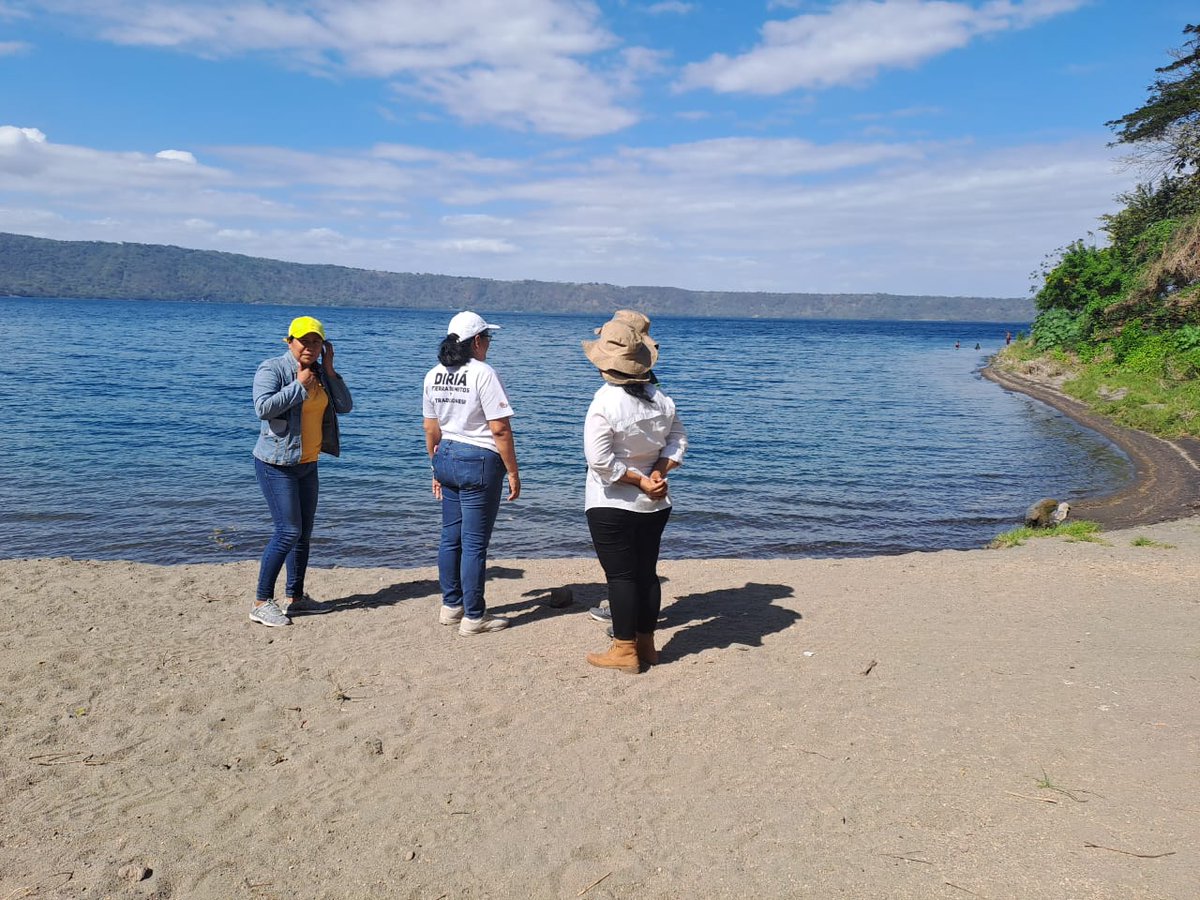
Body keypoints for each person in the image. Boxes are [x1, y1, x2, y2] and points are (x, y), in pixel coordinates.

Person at [581, 311, 687, 673]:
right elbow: (678, 441)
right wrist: (656, 474)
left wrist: (640, 480)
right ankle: (647, 645)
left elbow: (599, 461)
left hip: (612, 502)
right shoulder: (661, 399)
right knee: (646, 574)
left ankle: (624, 650)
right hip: (655, 502)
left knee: (621, 577)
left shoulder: (604, 403)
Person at [250, 315, 353, 627]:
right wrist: (298, 386)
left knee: (303, 535)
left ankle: (295, 598)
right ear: (290, 341)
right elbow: (263, 408)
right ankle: (260, 602)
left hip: (308, 464)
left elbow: (345, 406)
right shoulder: (273, 368)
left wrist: (331, 369)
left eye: (316, 341)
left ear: (324, 345)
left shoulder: (322, 372)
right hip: (276, 465)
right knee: (288, 531)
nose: (309, 347)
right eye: (303, 340)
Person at [423, 311, 520, 635]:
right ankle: (474, 616)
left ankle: (451, 606)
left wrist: (435, 467)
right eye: (488, 338)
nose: (490, 344)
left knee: (451, 538)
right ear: (477, 341)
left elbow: (430, 427)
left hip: (446, 455)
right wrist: (513, 472)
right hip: (478, 460)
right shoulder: (483, 373)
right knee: (475, 544)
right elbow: (500, 429)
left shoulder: (434, 374)